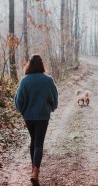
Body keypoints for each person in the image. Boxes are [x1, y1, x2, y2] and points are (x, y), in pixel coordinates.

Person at [14, 54, 58, 185]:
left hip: (28, 116)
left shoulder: (24, 80)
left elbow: (18, 100)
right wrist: (52, 107)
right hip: (43, 115)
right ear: (42, 64)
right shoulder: (48, 80)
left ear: (30, 65)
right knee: (39, 142)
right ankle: (35, 172)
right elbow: (54, 97)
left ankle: (33, 168)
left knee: (33, 140)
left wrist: (21, 110)